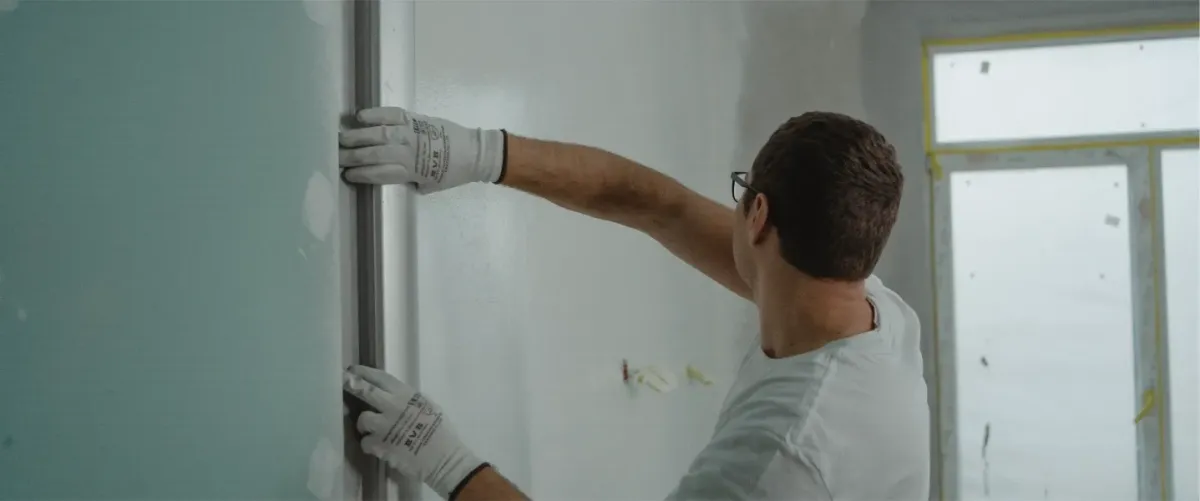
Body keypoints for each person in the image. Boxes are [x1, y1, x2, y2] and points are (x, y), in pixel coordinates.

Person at [338, 106, 930, 501]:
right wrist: (481, 153)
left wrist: (448, 465)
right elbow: (659, 205)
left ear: (758, 214)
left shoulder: (780, 461)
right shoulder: (870, 310)